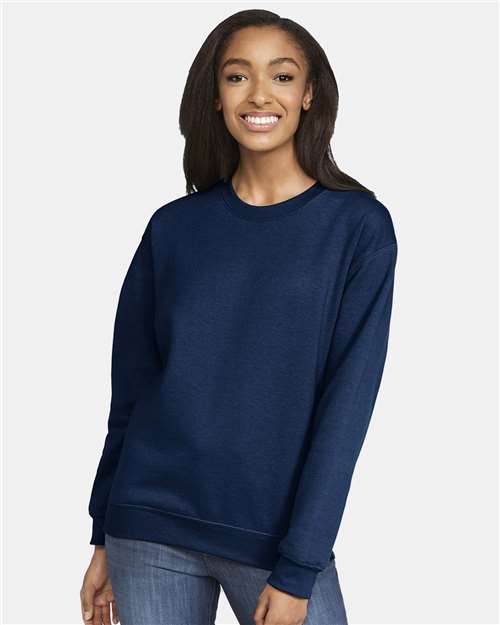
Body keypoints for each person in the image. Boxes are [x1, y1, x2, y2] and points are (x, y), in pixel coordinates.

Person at [80, 8, 398, 625]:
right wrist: (102, 534)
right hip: (147, 528)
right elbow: (132, 390)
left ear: (309, 94)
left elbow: (347, 406)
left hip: (274, 541)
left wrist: (300, 564)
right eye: (236, 76)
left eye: (281, 76)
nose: (258, 95)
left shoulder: (358, 227)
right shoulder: (174, 228)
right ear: (216, 95)